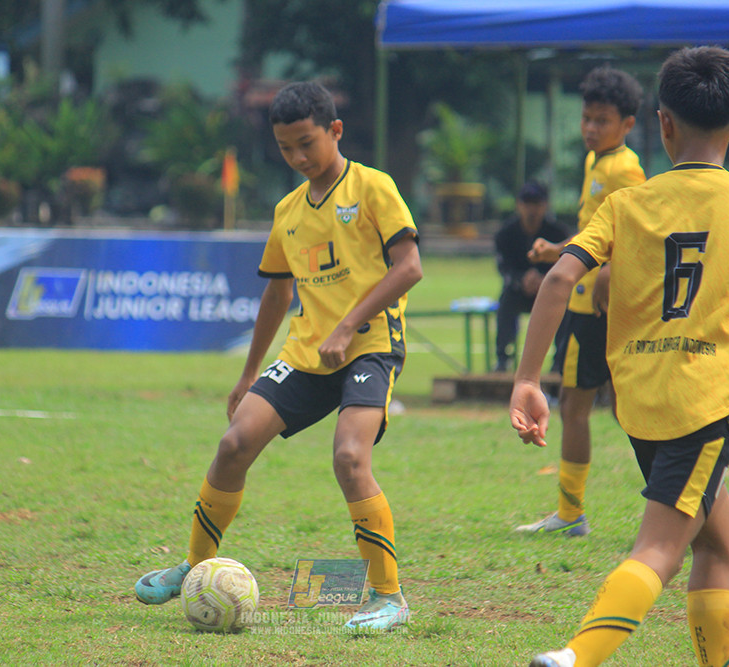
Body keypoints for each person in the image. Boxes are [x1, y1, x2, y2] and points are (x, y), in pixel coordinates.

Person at [511, 46, 729, 667]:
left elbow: (557, 281)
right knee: (659, 549)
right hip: (703, 403)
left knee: (719, 547)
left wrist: (525, 380)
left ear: (662, 123)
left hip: (638, 399)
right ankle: (576, 656)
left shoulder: (626, 204)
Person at [133, 81, 422, 631]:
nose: (297, 158)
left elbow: (408, 267)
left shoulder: (373, 187)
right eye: (286, 148)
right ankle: (194, 567)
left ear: (335, 130)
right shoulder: (288, 210)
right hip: (308, 352)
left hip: (370, 347)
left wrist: (347, 325)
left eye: (307, 144)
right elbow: (276, 293)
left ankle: (389, 598)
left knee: (349, 458)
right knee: (234, 442)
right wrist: (247, 376)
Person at [517, 67, 646, 537]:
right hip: (587, 298)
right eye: (587, 118)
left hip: (594, 303)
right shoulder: (599, 162)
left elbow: (632, 229)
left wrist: (609, 271)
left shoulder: (623, 167)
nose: (591, 128)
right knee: (605, 403)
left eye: (603, 120)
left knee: (581, 404)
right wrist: (558, 250)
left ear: (627, 124)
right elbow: (599, 229)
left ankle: (573, 516)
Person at [493, 181, 570, 371]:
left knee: (568, 306)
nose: (531, 210)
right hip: (518, 291)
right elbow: (504, 268)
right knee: (506, 301)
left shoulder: (558, 233)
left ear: (545, 206)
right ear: (519, 205)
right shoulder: (505, 234)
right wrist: (522, 279)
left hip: (551, 289)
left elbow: (567, 263)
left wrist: (546, 279)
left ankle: (559, 362)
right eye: (527, 204)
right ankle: (503, 358)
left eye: (536, 204)